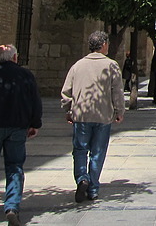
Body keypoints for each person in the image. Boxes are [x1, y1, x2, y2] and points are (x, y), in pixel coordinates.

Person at [0, 44, 42, 225]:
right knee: (15, 166)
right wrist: (35, 124)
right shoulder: (25, 75)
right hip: (17, 127)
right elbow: (35, 101)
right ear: (15, 57)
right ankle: (12, 206)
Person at [61, 31, 124, 203]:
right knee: (98, 152)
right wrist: (119, 111)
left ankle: (82, 178)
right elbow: (117, 91)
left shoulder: (78, 65)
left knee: (80, 150)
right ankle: (93, 188)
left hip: (81, 114)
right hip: (103, 115)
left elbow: (67, 91)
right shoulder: (111, 65)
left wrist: (68, 109)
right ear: (103, 45)